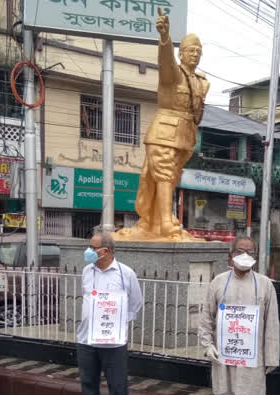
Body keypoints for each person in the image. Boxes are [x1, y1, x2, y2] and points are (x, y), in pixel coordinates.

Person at [115, 9, 209, 241]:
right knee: (164, 176)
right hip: (164, 132)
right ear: (182, 54)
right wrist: (165, 38)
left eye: (198, 51)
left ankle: (156, 221)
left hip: (185, 136)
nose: (195, 55)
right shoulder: (173, 75)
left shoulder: (202, 82)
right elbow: (165, 60)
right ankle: (165, 222)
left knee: (169, 178)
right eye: (190, 51)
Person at [199, 237, 280, 395]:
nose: (245, 255)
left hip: (252, 356)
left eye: (250, 251)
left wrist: (271, 357)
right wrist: (207, 345)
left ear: (255, 256)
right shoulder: (218, 282)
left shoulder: (265, 285)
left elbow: (272, 324)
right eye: (240, 251)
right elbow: (206, 318)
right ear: (230, 256)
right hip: (224, 355)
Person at [70, 232, 142, 395]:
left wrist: (118, 324)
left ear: (106, 251)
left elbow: (135, 303)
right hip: (87, 338)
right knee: (88, 382)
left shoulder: (125, 273)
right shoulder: (86, 271)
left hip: (113, 340)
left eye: (93, 248)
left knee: (117, 385)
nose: (89, 251)